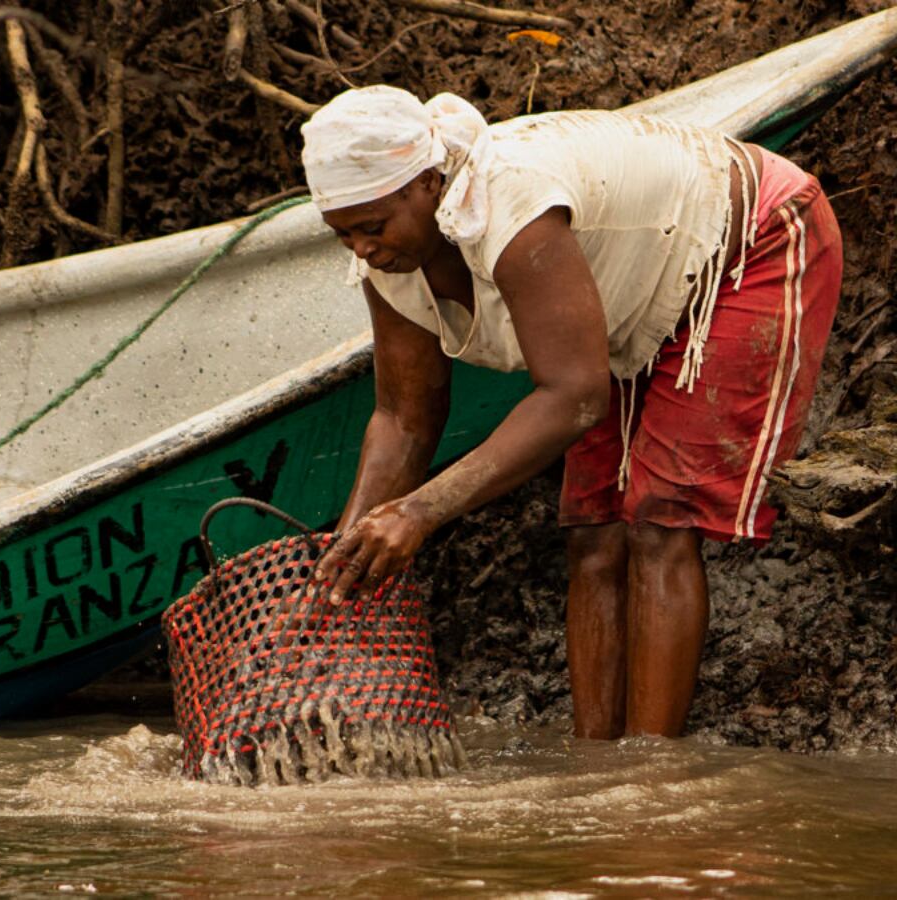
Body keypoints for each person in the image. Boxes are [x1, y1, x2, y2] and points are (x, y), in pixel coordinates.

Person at [303, 85, 842, 739]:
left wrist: (421, 510)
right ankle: (596, 764)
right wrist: (343, 560)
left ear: (426, 184)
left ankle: (649, 770)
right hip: (630, 298)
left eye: (372, 226)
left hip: (747, 242)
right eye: (343, 235)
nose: (361, 249)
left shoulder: (509, 205)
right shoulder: (389, 264)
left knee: (659, 523)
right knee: (593, 532)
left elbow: (576, 397)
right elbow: (403, 419)